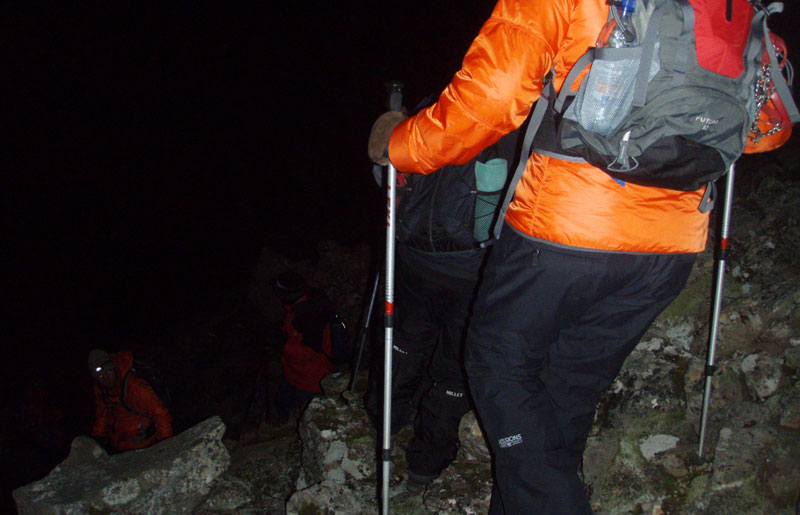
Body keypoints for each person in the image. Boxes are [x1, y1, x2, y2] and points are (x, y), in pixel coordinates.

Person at [368, 0, 722, 511]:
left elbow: (489, 100)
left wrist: (397, 145)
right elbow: (763, 127)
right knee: (566, 389)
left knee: (497, 366)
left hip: (571, 225)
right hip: (675, 239)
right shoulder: (720, 8)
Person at [364, 114, 520, 492]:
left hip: (416, 263)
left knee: (406, 345)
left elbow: (385, 176)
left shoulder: (430, 112)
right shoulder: (513, 121)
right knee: (453, 366)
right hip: (473, 274)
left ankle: (385, 421)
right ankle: (425, 461)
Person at [273, 271, 342, 423]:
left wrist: (282, 346)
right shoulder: (304, 304)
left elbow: (310, 353)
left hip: (310, 380)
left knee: (298, 414)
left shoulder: (310, 317)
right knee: (282, 403)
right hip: (294, 374)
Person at [89, 349, 172, 452]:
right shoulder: (102, 391)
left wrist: (165, 442)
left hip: (146, 444)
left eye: (108, 372)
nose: (106, 378)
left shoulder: (134, 386)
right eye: (101, 376)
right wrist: (97, 438)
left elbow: (160, 413)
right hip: (121, 447)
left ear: (114, 368)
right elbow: (102, 416)